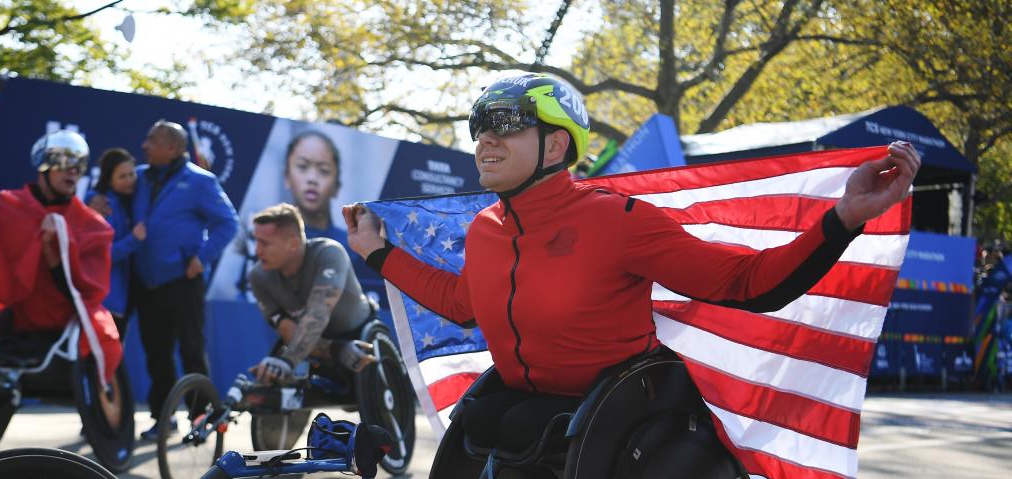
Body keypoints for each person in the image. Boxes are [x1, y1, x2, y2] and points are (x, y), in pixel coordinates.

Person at [344, 72, 921, 452]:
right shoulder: (486, 230)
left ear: (555, 146)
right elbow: (462, 307)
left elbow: (749, 286)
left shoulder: (618, 220)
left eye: (505, 127)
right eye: (479, 130)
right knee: (480, 424)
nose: (484, 143)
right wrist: (378, 252)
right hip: (527, 405)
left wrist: (844, 215)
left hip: (622, 415)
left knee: (513, 426)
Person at [0, 129, 121, 384]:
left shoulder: (93, 225)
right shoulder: (4, 207)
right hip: (16, 318)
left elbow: (90, 291)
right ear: (44, 163)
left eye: (79, 164)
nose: (73, 170)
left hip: (66, 324)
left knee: (104, 339)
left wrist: (58, 249)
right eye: (64, 161)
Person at [132, 119, 240, 440]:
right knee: (156, 354)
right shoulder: (137, 177)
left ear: (174, 148)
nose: (144, 145)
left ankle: (201, 417)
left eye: (152, 139)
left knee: (192, 349)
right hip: (146, 281)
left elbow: (227, 223)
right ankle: (162, 420)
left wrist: (201, 258)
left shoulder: (199, 181)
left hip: (183, 280)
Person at [247, 203, 376, 385]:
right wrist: (334, 349)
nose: (257, 251)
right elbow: (287, 330)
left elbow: (318, 313)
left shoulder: (329, 252)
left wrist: (288, 360)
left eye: (265, 243)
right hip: (312, 344)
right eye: (256, 241)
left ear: (293, 244)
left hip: (359, 332)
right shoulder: (258, 276)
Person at [281, 130, 381, 299]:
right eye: (303, 167)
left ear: (337, 187)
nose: (312, 178)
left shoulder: (354, 246)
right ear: (286, 177)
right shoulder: (269, 240)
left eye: (324, 170)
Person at [86, 147, 147, 336]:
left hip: (122, 301)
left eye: (131, 174)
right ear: (108, 178)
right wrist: (134, 240)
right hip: (105, 301)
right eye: (122, 176)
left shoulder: (127, 201)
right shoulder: (101, 205)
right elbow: (104, 255)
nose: (130, 180)